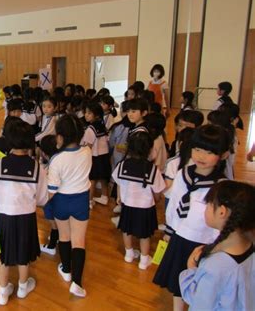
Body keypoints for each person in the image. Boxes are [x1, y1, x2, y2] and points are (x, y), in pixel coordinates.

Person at [153, 124, 231, 311]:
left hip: (204, 244)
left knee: (202, 286)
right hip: (180, 238)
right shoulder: (182, 174)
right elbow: (173, 203)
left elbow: (222, 223)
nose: (201, 156)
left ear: (224, 155)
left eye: (209, 151)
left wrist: (215, 246)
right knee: (178, 281)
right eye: (197, 149)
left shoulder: (221, 186)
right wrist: (170, 230)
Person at [0, 120, 48, 306]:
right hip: (27, 217)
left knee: (4, 256)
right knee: (23, 253)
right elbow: (43, 198)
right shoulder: (37, 167)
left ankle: (3, 292)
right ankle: (22, 287)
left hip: (4, 216)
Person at [179, 181, 255, 310]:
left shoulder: (215, 267)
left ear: (221, 212)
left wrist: (191, 269)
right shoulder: (250, 246)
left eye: (208, 204)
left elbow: (200, 303)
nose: (206, 208)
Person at [47, 115, 92, 297]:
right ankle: (77, 283)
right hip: (81, 200)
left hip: (61, 201)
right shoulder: (87, 151)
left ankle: (66, 269)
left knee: (64, 236)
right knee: (79, 241)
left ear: (60, 137)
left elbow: (51, 190)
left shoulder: (57, 160)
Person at [113, 132, 166, 269]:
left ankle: (129, 254)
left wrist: (119, 198)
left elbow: (118, 182)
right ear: (149, 149)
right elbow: (158, 191)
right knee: (145, 234)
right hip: (145, 207)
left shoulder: (122, 165)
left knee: (126, 230)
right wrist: (156, 200)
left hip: (127, 205)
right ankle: (143, 260)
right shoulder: (152, 169)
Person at [81, 101, 110, 207]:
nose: (86, 115)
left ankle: (89, 201)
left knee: (92, 179)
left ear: (96, 115)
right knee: (103, 177)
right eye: (85, 112)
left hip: (94, 157)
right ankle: (105, 196)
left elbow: (88, 146)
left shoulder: (90, 128)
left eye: (89, 113)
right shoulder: (102, 126)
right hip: (105, 155)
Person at [39, 134, 60, 256]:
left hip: (51, 199)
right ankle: (56, 238)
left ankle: (52, 245)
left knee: (53, 223)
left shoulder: (50, 166)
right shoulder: (60, 160)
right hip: (64, 198)